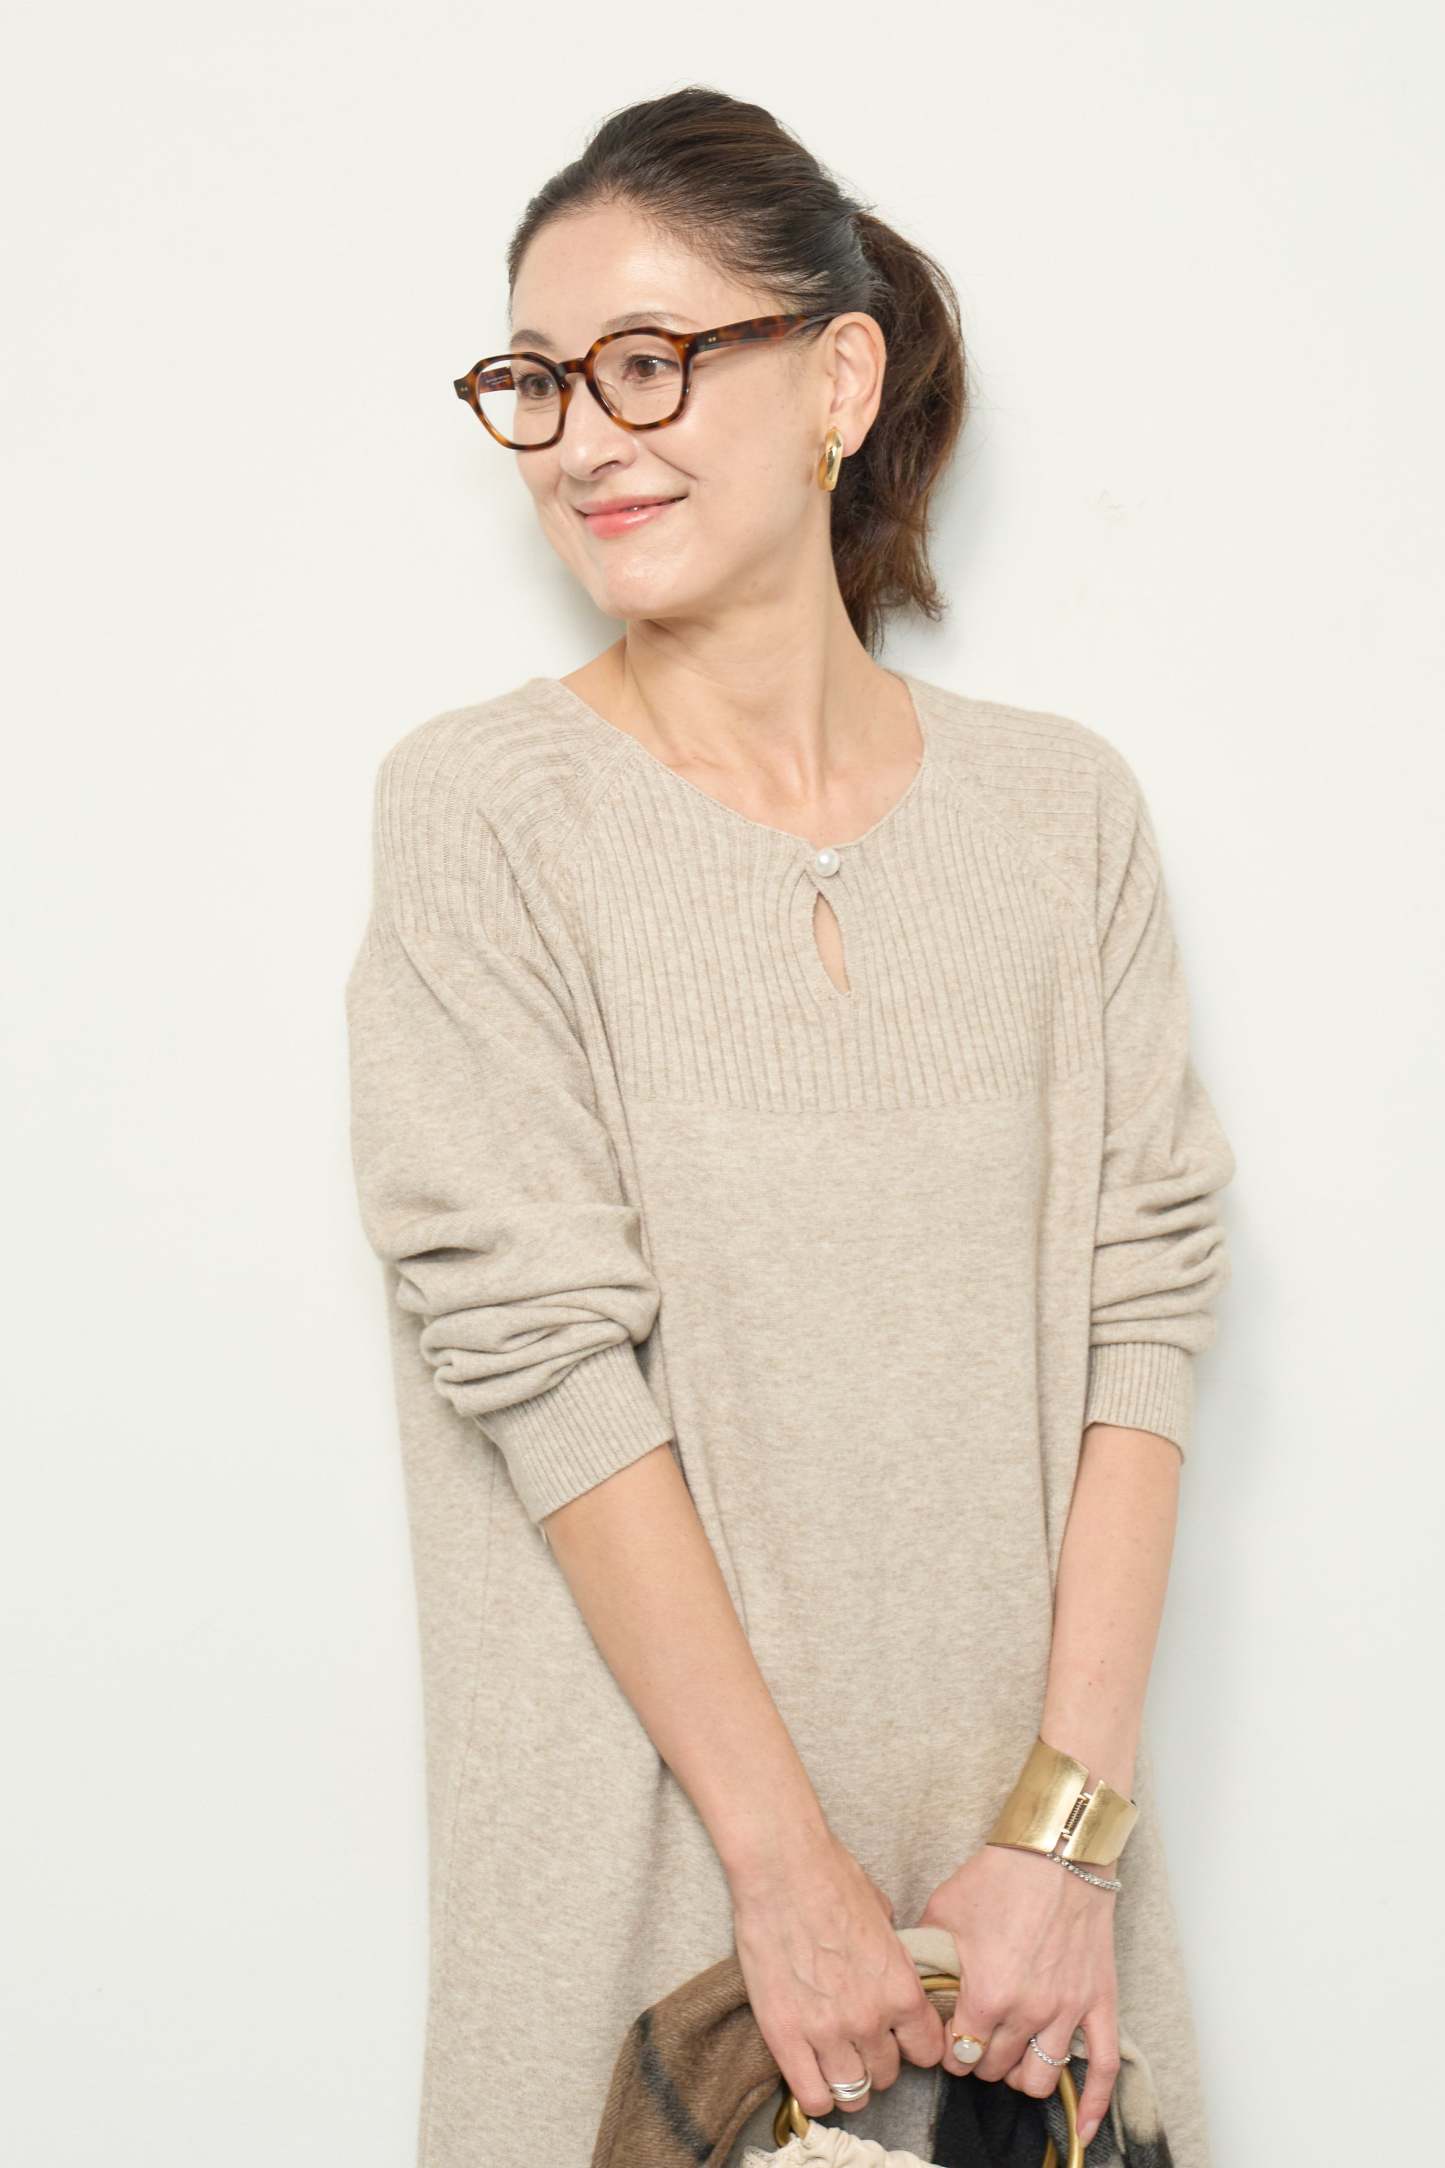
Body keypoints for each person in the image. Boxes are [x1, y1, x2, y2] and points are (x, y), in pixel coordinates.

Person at [343, 84, 1237, 2168]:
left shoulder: (1061, 813)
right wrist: (786, 1874)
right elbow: (542, 1360)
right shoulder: (484, 812)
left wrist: (1063, 1845)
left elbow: (1145, 1311)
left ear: (838, 380)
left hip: (1034, 1934)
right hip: (654, 1889)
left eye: (649, 360)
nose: (583, 435)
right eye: (538, 381)